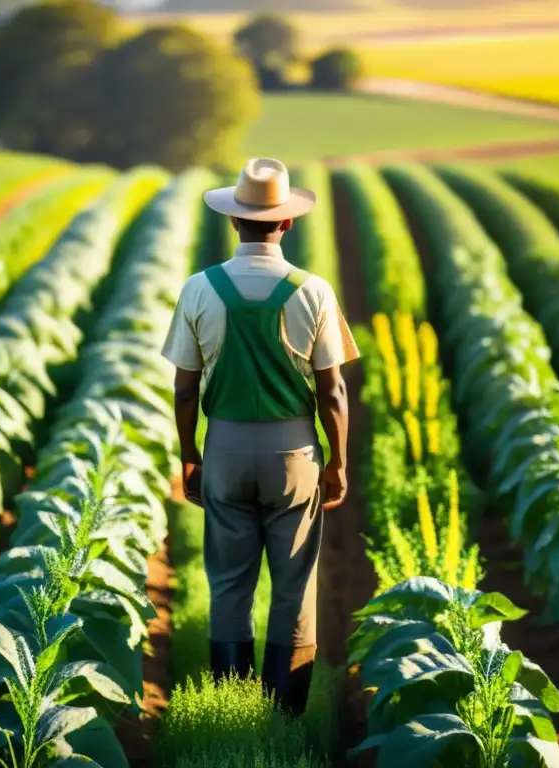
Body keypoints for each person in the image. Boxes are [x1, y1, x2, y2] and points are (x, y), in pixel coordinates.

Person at [161, 157, 359, 716]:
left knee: (229, 582)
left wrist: (191, 456)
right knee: (294, 585)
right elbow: (333, 392)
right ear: (287, 222)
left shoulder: (199, 289)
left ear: (233, 220)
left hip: (224, 449)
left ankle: (233, 703)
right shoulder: (313, 291)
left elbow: (184, 390)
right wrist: (338, 462)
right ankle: (283, 715)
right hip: (294, 454)